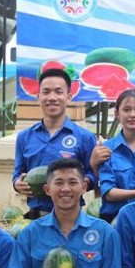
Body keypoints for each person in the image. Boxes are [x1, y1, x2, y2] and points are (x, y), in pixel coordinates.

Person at [5, 159, 122, 268]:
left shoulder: (105, 232)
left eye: (73, 182)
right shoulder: (30, 233)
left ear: (84, 187)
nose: (65, 189)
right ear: (47, 189)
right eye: (58, 183)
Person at [13, 68, 97, 218]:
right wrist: (17, 184)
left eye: (58, 92)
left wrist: (79, 183)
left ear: (69, 97)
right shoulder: (24, 137)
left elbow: (93, 175)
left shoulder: (85, 137)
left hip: (73, 217)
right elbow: (17, 173)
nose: (52, 97)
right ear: (38, 97)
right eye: (46, 92)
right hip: (36, 217)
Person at [97, 90, 135, 223]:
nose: (132, 115)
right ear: (117, 114)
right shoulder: (106, 149)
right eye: (127, 109)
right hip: (112, 220)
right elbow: (108, 193)